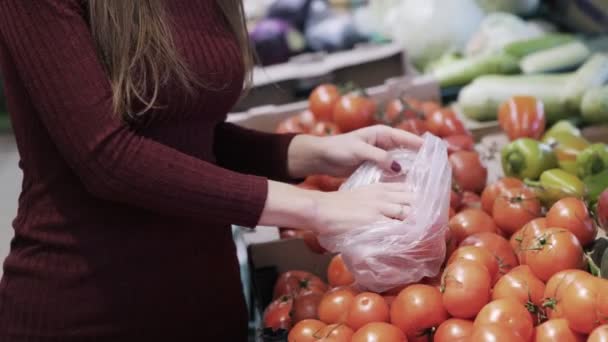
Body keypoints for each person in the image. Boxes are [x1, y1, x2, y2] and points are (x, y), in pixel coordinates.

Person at [0, 0, 421, 340]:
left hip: (209, 305)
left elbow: (186, 136)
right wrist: (315, 207)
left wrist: (311, 152)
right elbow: (107, 158)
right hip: (90, 309)